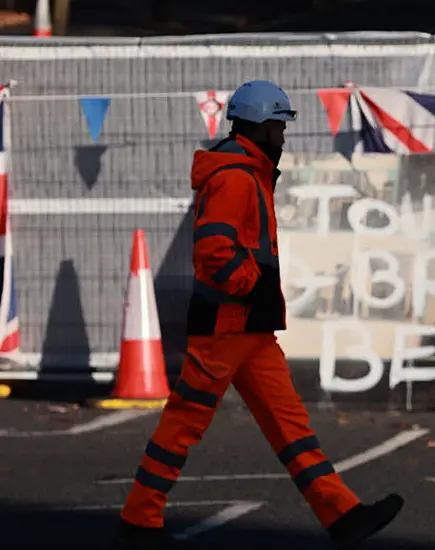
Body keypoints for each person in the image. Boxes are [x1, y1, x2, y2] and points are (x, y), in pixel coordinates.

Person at [113, 80, 403, 550]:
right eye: (278, 125)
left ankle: (344, 515)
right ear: (258, 125)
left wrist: (256, 295)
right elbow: (214, 250)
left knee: (290, 425)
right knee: (185, 422)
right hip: (228, 325)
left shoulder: (248, 171)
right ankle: (138, 521)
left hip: (248, 327)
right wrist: (251, 285)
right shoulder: (235, 176)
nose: (283, 135)